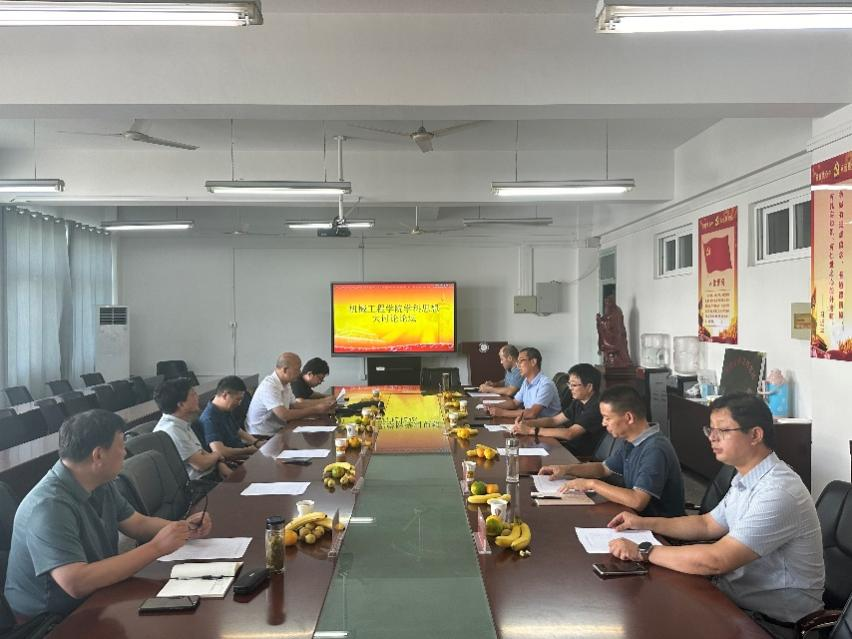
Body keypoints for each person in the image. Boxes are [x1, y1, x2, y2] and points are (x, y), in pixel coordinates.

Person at [607, 393, 824, 639]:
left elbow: (718, 560)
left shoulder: (778, 491)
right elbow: (707, 524)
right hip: (733, 601)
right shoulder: (746, 477)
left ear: (755, 435)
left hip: (775, 625)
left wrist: (643, 551)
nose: (712, 437)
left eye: (723, 431)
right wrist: (642, 522)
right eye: (710, 430)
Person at [4, 409, 212, 618]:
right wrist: (156, 547)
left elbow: (137, 524)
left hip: (94, 596)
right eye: (121, 446)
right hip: (50, 619)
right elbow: (76, 582)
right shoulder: (49, 506)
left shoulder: (99, 481)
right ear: (98, 455)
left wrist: (182, 528)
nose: (125, 452)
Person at [539, 385, 684, 517]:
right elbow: (603, 468)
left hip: (658, 528)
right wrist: (565, 469)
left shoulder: (655, 449)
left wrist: (591, 484)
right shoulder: (632, 441)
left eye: (607, 418)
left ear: (629, 417)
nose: (603, 423)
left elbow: (637, 501)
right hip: (632, 517)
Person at [512, 363, 604, 457]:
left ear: (589, 387)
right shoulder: (578, 402)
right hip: (568, 448)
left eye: (574, 385)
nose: (570, 388)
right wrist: (528, 423)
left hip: (579, 456)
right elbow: (554, 420)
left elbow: (570, 433)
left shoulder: (596, 407)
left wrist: (530, 430)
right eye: (569, 384)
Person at [153, 378, 232, 481]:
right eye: (193, 395)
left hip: (211, 474)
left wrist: (220, 463)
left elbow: (202, 452)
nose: (197, 397)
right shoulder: (172, 430)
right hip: (200, 483)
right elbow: (201, 464)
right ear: (181, 404)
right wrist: (217, 454)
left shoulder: (181, 421)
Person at [246, 352, 337, 436]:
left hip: (278, 430)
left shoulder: (286, 383)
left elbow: (294, 405)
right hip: (262, 435)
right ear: (285, 370)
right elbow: (284, 415)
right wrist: (316, 409)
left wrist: (323, 406)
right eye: (297, 369)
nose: (300, 373)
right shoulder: (270, 386)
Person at [485, 347, 562, 419]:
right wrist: (493, 405)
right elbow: (514, 403)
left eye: (521, 361)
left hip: (548, 426)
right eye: (517, 362)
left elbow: (532, 413)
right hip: (532, 422)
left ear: (533, 362)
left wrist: (502, 413)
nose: (518, 366)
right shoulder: (526, 382)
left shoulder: (546, 384)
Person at [197, 376, 261, 460]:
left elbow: (237, 430)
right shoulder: (209, 419)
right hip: (231, 460)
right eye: (238, 399)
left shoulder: (226, 409)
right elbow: (220, 451)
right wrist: (247, 451)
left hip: (241, 452)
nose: (239, 403)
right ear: (225, 395)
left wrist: (256, 442)